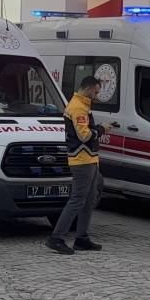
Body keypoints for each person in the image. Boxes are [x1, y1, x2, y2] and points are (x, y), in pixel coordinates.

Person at [46, 76, 105, 255]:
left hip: (89, 159)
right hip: (82, 160)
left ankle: (81, 238)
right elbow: (84, 136)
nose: (96, 96)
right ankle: (56, 238)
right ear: (88, 89)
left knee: (89, 200)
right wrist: (102, 129)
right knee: (77, 200)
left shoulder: (82, 105)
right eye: (96, 92)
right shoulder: (78, 107)